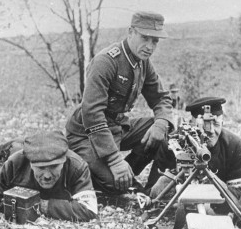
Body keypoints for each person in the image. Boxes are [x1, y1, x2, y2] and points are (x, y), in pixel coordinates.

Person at [65, 11, 174, 195]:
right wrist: (115, 160)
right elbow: (92, 113)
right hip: (87, 133)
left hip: (118, 126)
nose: (149, 46)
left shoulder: (143, 62)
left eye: (155, 41)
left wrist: (162, 123)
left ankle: (153, 193)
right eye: (145, 38)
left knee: (165, 133)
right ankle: (119, 178)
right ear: (131, 32)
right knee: (114, 186)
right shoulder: (106, 62)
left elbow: (161, 97)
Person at [147, 97, 241, 202]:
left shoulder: (234, 145)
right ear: (191, 124)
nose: (212, 131)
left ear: (222, 123)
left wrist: (211, 183)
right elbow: (151, 190)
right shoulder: (173, 142)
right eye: (204, 126)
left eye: (216, 124)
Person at [0, 130, 98, 222]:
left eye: (54, 166)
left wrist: (42, 205)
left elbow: (89, 210)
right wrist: (27, 205)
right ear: (30, 163)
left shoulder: (77, 166)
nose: (47, 176)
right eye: (40, 168)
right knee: (8, 149)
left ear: (64, 160)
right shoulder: (15, 163)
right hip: (18, 148)